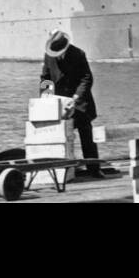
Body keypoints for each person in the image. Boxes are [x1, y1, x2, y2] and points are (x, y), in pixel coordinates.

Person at [40, 29, 103, 178]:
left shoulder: (78, 54)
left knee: (86, 134)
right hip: (59, 103)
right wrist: (46, 98)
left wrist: (76, 98)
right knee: (60, 135)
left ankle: (93, 168)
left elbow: (86, 79)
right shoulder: (49, 55)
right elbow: (45, 78)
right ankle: (66, 168)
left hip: (79, 102)